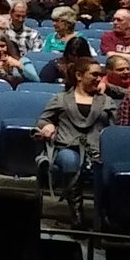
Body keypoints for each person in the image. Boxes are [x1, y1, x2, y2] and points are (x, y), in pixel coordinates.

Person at [37, 57, 116, 213]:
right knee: (70, 160)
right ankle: (76, 211)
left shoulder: (107, 101)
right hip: (67, 146)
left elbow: (114, 129)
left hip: (97, 149)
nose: (99, 79)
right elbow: (43, 120)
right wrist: (48, 125)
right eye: (94, 75)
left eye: (100, 75)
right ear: (79, 76)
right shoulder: (60, 99)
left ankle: (106, 211)